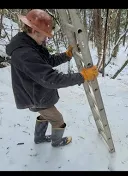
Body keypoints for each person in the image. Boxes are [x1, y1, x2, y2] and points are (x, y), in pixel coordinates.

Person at [6, 9, 98, 147]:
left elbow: (47, 61)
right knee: (58, 120)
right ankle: (57, 141)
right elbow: (51, 79)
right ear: (34, 30)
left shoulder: (30, 44)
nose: (46, 38)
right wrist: (82, 76)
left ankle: (39, 138)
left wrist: (66, 55)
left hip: (36, 92)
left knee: (45, 115)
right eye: (44, 35)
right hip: (34, 95)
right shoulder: (25, 53)